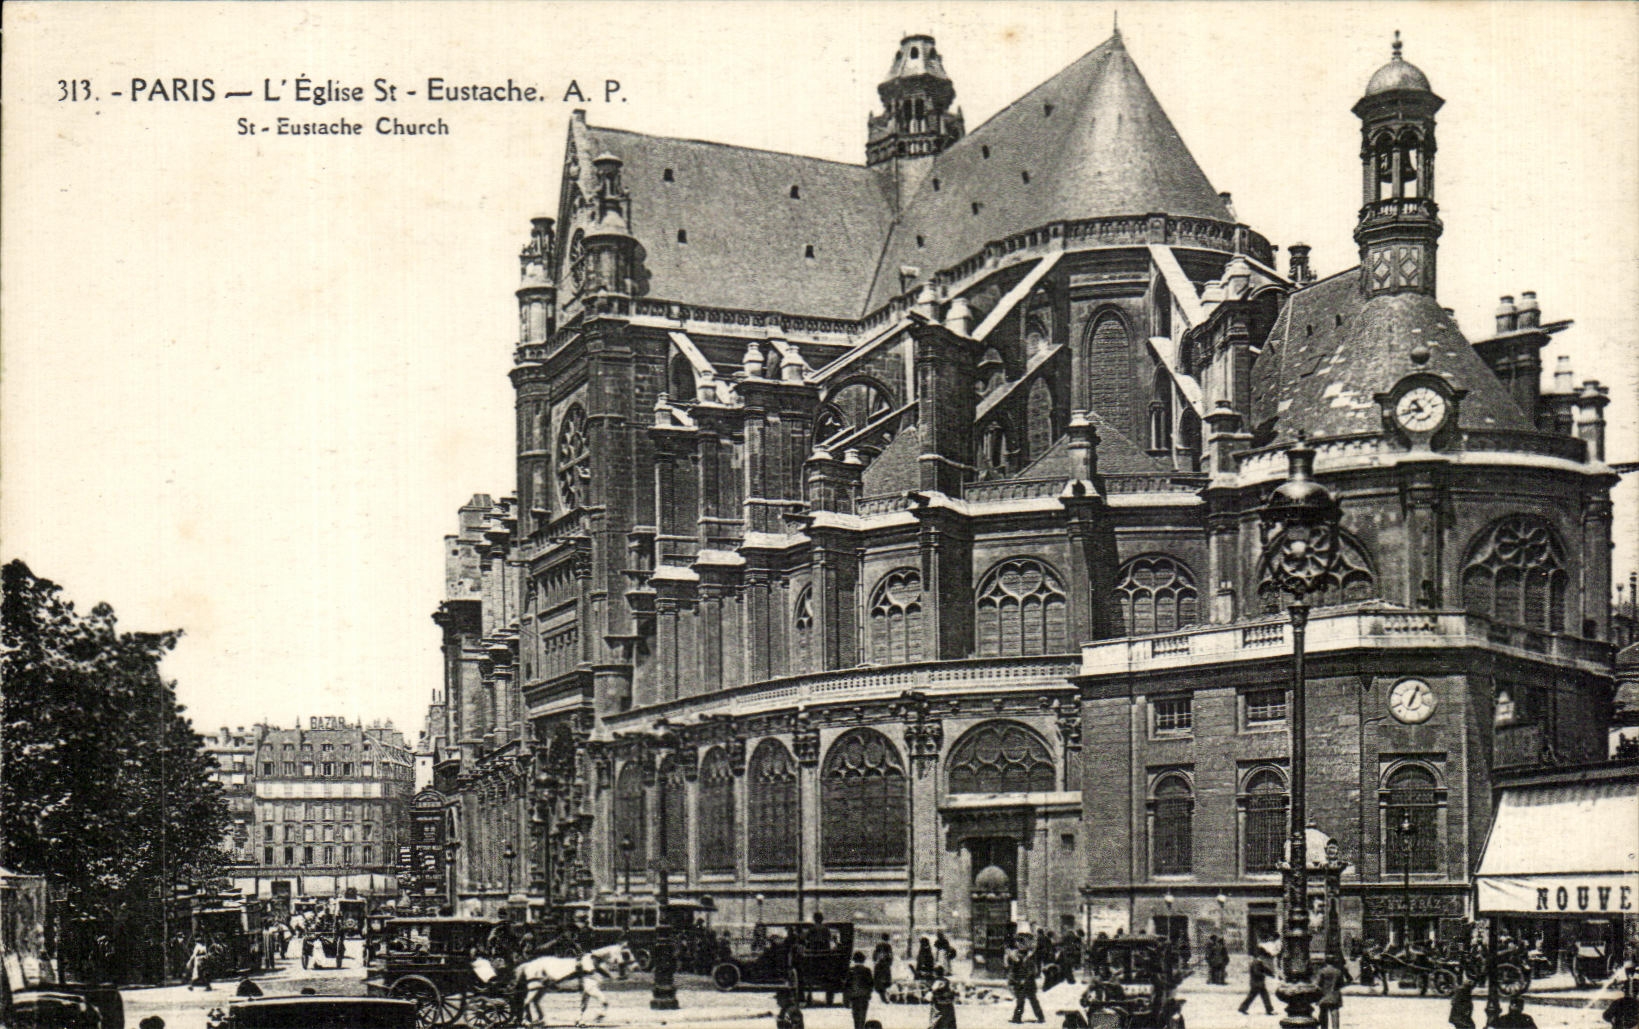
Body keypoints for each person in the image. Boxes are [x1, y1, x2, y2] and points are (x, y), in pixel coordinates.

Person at [1006, 936, 1045, 1024]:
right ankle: (1017, 1018)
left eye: (1021, 944)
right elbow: (1013, 969)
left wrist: (1025, 979)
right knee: (1022, 1000)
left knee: (1030, 1000)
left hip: (1028, 982)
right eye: (1018, 944)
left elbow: (1032, 970)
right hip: (1021, 982)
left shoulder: (1029, 958)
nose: (1019, 946)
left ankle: (1039, 1017)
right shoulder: (1017, 957)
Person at [844, 951, 875, 1029]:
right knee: (863, 1015)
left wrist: (846, 999)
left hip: (854, 997)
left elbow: (847, 986)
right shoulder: (867, 970)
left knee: (856, 1016)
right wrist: (869, 994)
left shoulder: (851, 971)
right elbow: (871, 984)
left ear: (854, 960)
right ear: (863, 960)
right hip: (864, 996)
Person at [1238, 951, 1274, 1016]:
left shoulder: (1259, 962)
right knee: (1259, 996)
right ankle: (1269, 1010)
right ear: (1260, 956)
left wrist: (1271, 974)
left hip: (1257, 983)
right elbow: (1257, 972)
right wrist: (1264, 974)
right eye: (1264, 957)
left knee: (1261, 996)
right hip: (1256, 983)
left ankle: (1243, 1008)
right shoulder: (1256, 963)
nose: (1265, 959)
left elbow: (1265, 969)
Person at [1316, 956, 1345, 1029]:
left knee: (1323, 1013)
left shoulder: (1322, 971)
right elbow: (1342, 983)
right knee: (1335, 1013)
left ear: (1326, 961)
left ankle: (1324, 1027)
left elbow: (1318, 983)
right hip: (1334, 995)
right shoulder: (1338, 971)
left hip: (1323, 995)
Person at [872, 934, 895, 1003]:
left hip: (878, 965)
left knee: (879, 981)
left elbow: (874, 956)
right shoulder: (888, 946)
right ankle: (884, 997)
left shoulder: (878, 945)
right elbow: (890, 956)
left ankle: (883, 996)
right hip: (885, 966)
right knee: (885, 982)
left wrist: (876, 960)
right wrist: (889, 963)